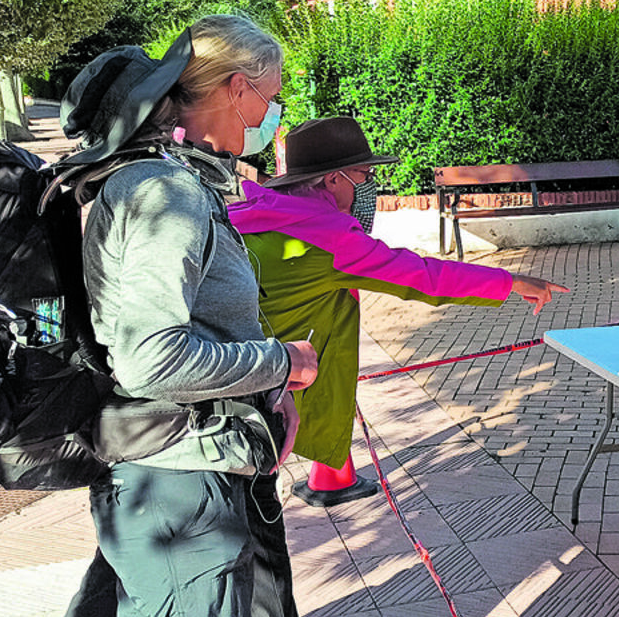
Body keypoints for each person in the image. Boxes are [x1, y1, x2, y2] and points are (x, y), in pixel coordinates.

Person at [24, 15, 343, 617]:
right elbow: (152, 357)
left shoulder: (163, 182)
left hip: (166, 477)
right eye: (270, 96)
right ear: (236, 89)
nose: (271, 115)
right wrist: (281, 364)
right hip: (178, 489)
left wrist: (265, 386)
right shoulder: (163, 192)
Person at [226, 116, 566, 486]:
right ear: (334, 179)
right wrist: (510, 280)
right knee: (255, 504)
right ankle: (325, 479)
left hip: (230, 361)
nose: (368, 187)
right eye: (364, 176)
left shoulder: (256, 211)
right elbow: (422, 276)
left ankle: (330, 476)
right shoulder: (330, 236)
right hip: (259, 393)